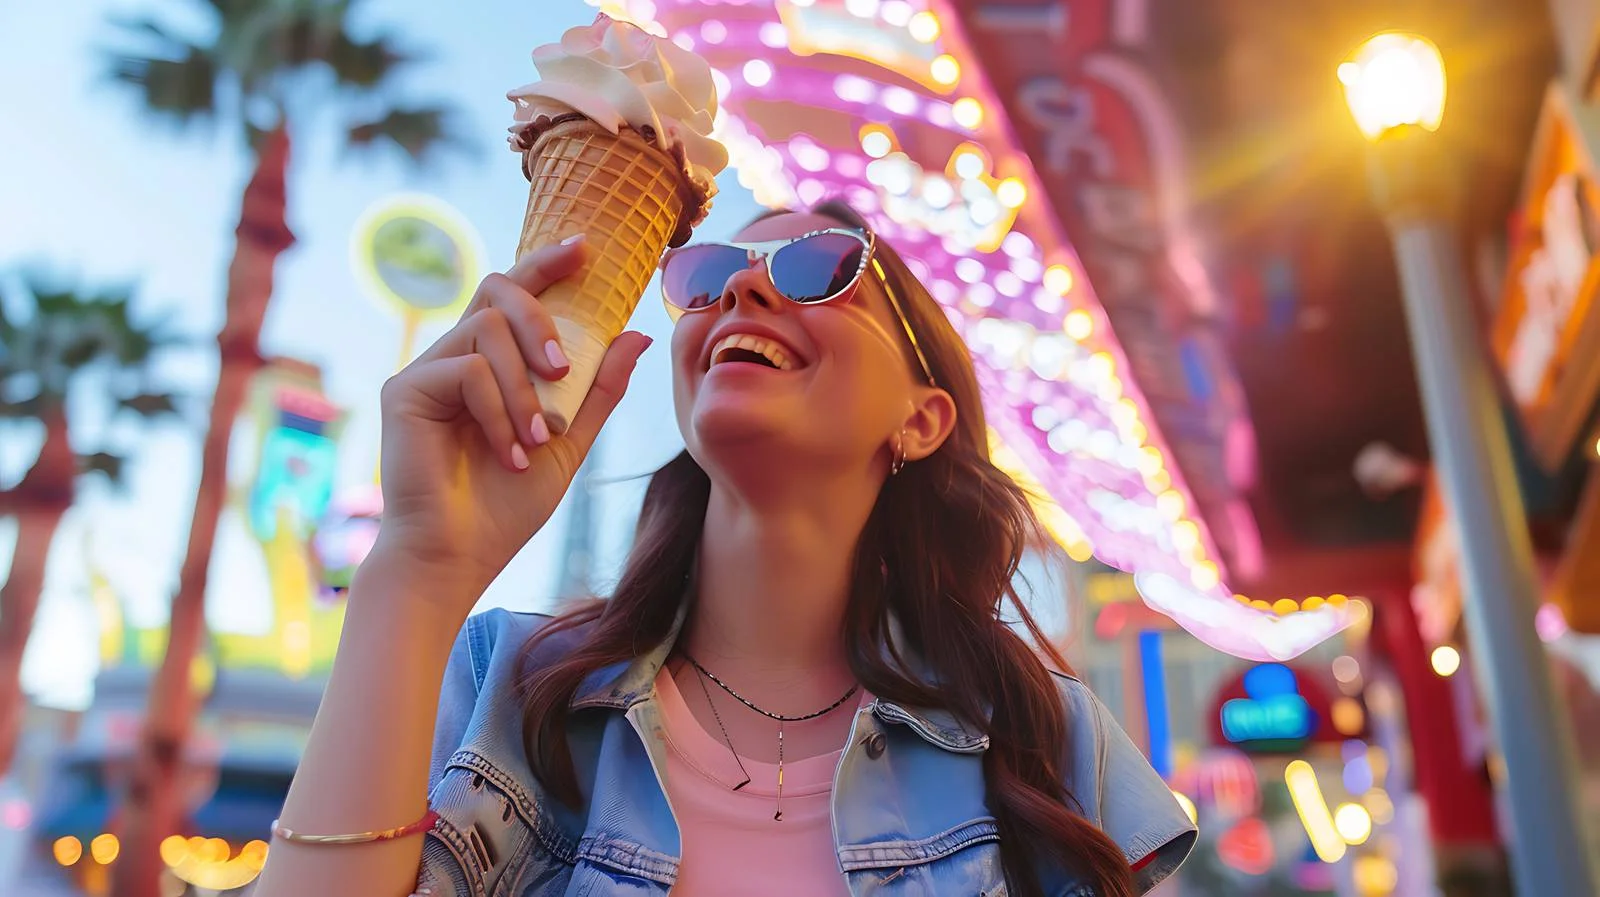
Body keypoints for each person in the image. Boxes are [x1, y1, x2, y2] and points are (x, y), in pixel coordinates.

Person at [255, 200, 1196, 897]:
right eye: (708, 276)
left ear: (922, 416)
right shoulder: (502, 685)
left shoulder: (1049, 741)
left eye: (820, 266)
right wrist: (418, 569)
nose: (743, 284)